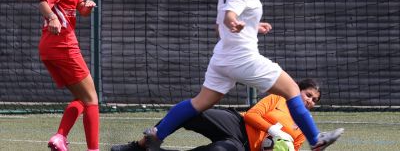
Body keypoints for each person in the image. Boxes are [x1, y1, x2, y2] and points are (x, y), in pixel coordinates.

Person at [114, 0, 343, 151]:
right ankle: (316, 139)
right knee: (293, 89)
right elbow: (229, 16)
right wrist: (234, 21)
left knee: (198, 104)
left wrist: (252, 25)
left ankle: (143, 145)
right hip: (242, 58)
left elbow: (219, 26)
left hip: (222, 58)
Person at [16, 0, 99, 151]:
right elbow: (44, 3)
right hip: (63, 46)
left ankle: (60, 138)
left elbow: (79, 9)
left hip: (52, 49)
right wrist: (52, 17)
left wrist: (86, 7)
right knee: (91, 99)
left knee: (82, 99)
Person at [111, 78, 324, 151]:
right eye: (308, 95)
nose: (310, 101)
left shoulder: (303, 129)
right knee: (193, 111)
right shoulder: (278, 98)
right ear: (297, 89)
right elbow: (251, 115)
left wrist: (276, 146)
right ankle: (138, 146)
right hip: (237, 124)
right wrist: (273, 130)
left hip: (244, 147)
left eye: (314, 100)